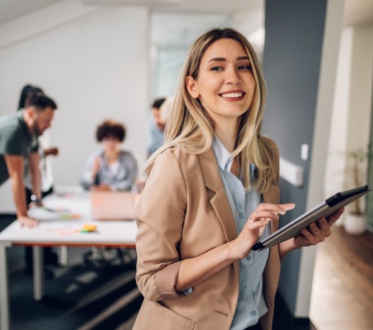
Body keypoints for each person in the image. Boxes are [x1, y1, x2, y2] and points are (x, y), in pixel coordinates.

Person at [133, 28, 344, 330]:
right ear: (193, 86)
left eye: (243, 66)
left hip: (254, 321)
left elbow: (251, 259)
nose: (233, 77)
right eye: (217, 67)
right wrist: (232, 248)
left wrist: (289, 242)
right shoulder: (174, 164)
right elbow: (151, 281)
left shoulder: (266, 152)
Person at [0, 93, 57, 314]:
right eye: (46, 121)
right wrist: (21, 214)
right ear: (31, 113)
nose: (48, 126)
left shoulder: (31, 133)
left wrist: (37, 200)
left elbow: (35, 167)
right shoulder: (12, 129)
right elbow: (16, 176)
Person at [80, 120, 138, 266]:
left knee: (126, 229)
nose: (110, 143)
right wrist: (93, 172)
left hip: (123, 203)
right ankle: (98, 255)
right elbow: (84, 184)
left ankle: (128, 252)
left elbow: (129, 183)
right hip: (102, 204)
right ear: (101, 140)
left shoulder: (129, 158)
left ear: (120, 139)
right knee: (97, 225)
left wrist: (111, 188)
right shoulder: (95, 158)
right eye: (107, 139)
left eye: (114, 139)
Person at [17, 85, 59, 277]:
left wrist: (38, 194)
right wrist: (34, 195)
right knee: (31, 224)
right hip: (30, 183)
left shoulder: (37, 131)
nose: (48, 124)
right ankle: (32, 266)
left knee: (45, 222)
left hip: (42, 181)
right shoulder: (19, 130)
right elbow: (21, 171)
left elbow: (36, 167)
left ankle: (45, 257)